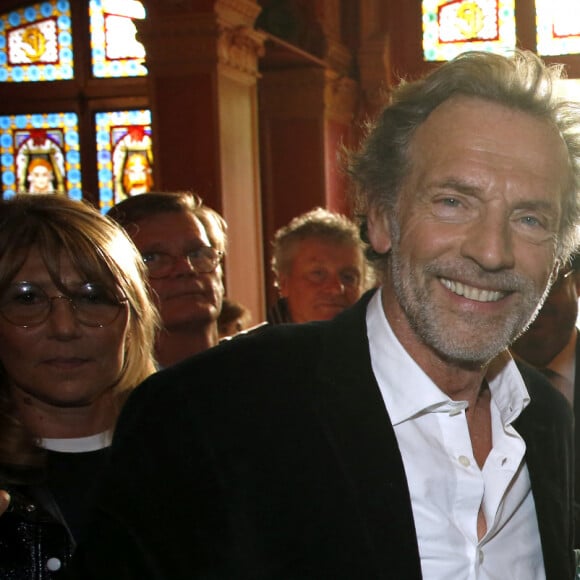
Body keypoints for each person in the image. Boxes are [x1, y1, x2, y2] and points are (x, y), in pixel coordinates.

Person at [67, 49, 580, 579]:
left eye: (530, 217)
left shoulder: (545, 419)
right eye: (453, 202)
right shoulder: (209, 415)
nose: (492, 252)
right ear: (380, 217)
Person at [0, 194, 158, 578]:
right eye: (27, 298)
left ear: (132, 317)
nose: (65, 328)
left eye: (92, 297)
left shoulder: (192, 458)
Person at [108, 191, 226, 367]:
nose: (186, 268)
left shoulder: (262, 372)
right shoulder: (117, 393)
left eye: (197, 253)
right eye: (153, 258)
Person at [511, 252, 580, 545]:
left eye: (549, 280)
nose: (536, 300)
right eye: (517, 284)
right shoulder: (464, 386)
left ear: (576, 282)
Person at [268, 207, 367, 323]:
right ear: (284, 283)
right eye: (318, 274)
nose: (336, 289)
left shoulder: (379, 340)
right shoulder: (254, 341)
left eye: (348, 277)